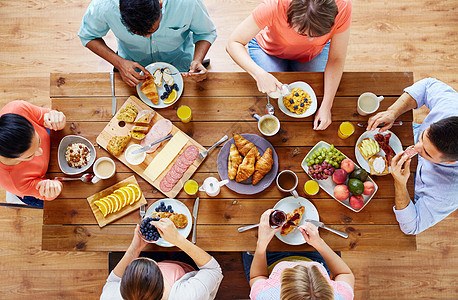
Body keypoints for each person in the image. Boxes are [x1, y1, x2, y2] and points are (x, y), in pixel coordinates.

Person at [226, 0, 351, 130]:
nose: (310, 40)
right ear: (289, 15)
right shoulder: (274, 6)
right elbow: (233, 43)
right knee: (274, 93)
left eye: (318, 34)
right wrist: (259, 74)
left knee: (318, 89)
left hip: (314, 53)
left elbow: (336, 58)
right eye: (303, 33)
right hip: (269, 50)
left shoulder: (343, 6)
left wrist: (327, 105)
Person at [367, 78, 458, 235]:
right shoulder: (451, 107)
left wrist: (400, 184)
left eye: (427, 153)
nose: (415, 147)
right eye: (423, 137)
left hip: (407, 187)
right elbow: (427, 85)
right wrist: (392, 112)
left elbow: (412, 227)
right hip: (402, 132)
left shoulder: (449, 192)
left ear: (450, 161)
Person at [78, 0, 217, 87]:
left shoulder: (187, 3)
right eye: (136, 32)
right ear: (120, 9)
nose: (147, 36)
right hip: (133, 68)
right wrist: (119, 63)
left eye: (152, 30)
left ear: (160, 5)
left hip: (181, 64)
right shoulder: (104, 5)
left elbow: (206, 32)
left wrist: (197, 60)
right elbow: (88, 36)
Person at [243, 209, 354, 299]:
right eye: (314, 270)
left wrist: (261, 243)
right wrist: (320, 244)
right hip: (316, 255)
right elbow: (344, 273)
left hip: (268, 264)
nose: (297, 263)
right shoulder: (341, 296)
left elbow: (257, 276)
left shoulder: (264, 296)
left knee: (245, 239)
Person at [101, 218, 223, 299]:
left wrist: (135, 249)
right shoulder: (189, 295)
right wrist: (177, 239)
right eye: (155, 266)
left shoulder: (111, 297)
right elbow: (213, 270)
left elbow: (112, 281)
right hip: (188, 268)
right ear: (163, 288)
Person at [0, 101, 66, 207]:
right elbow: (49, 195)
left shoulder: (17, 109)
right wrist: (54, 188)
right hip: (33, 187)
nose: (41, 152)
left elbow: (45, 116)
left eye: (39, 141)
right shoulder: (15, 182)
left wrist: (56, 119)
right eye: (30, 156)